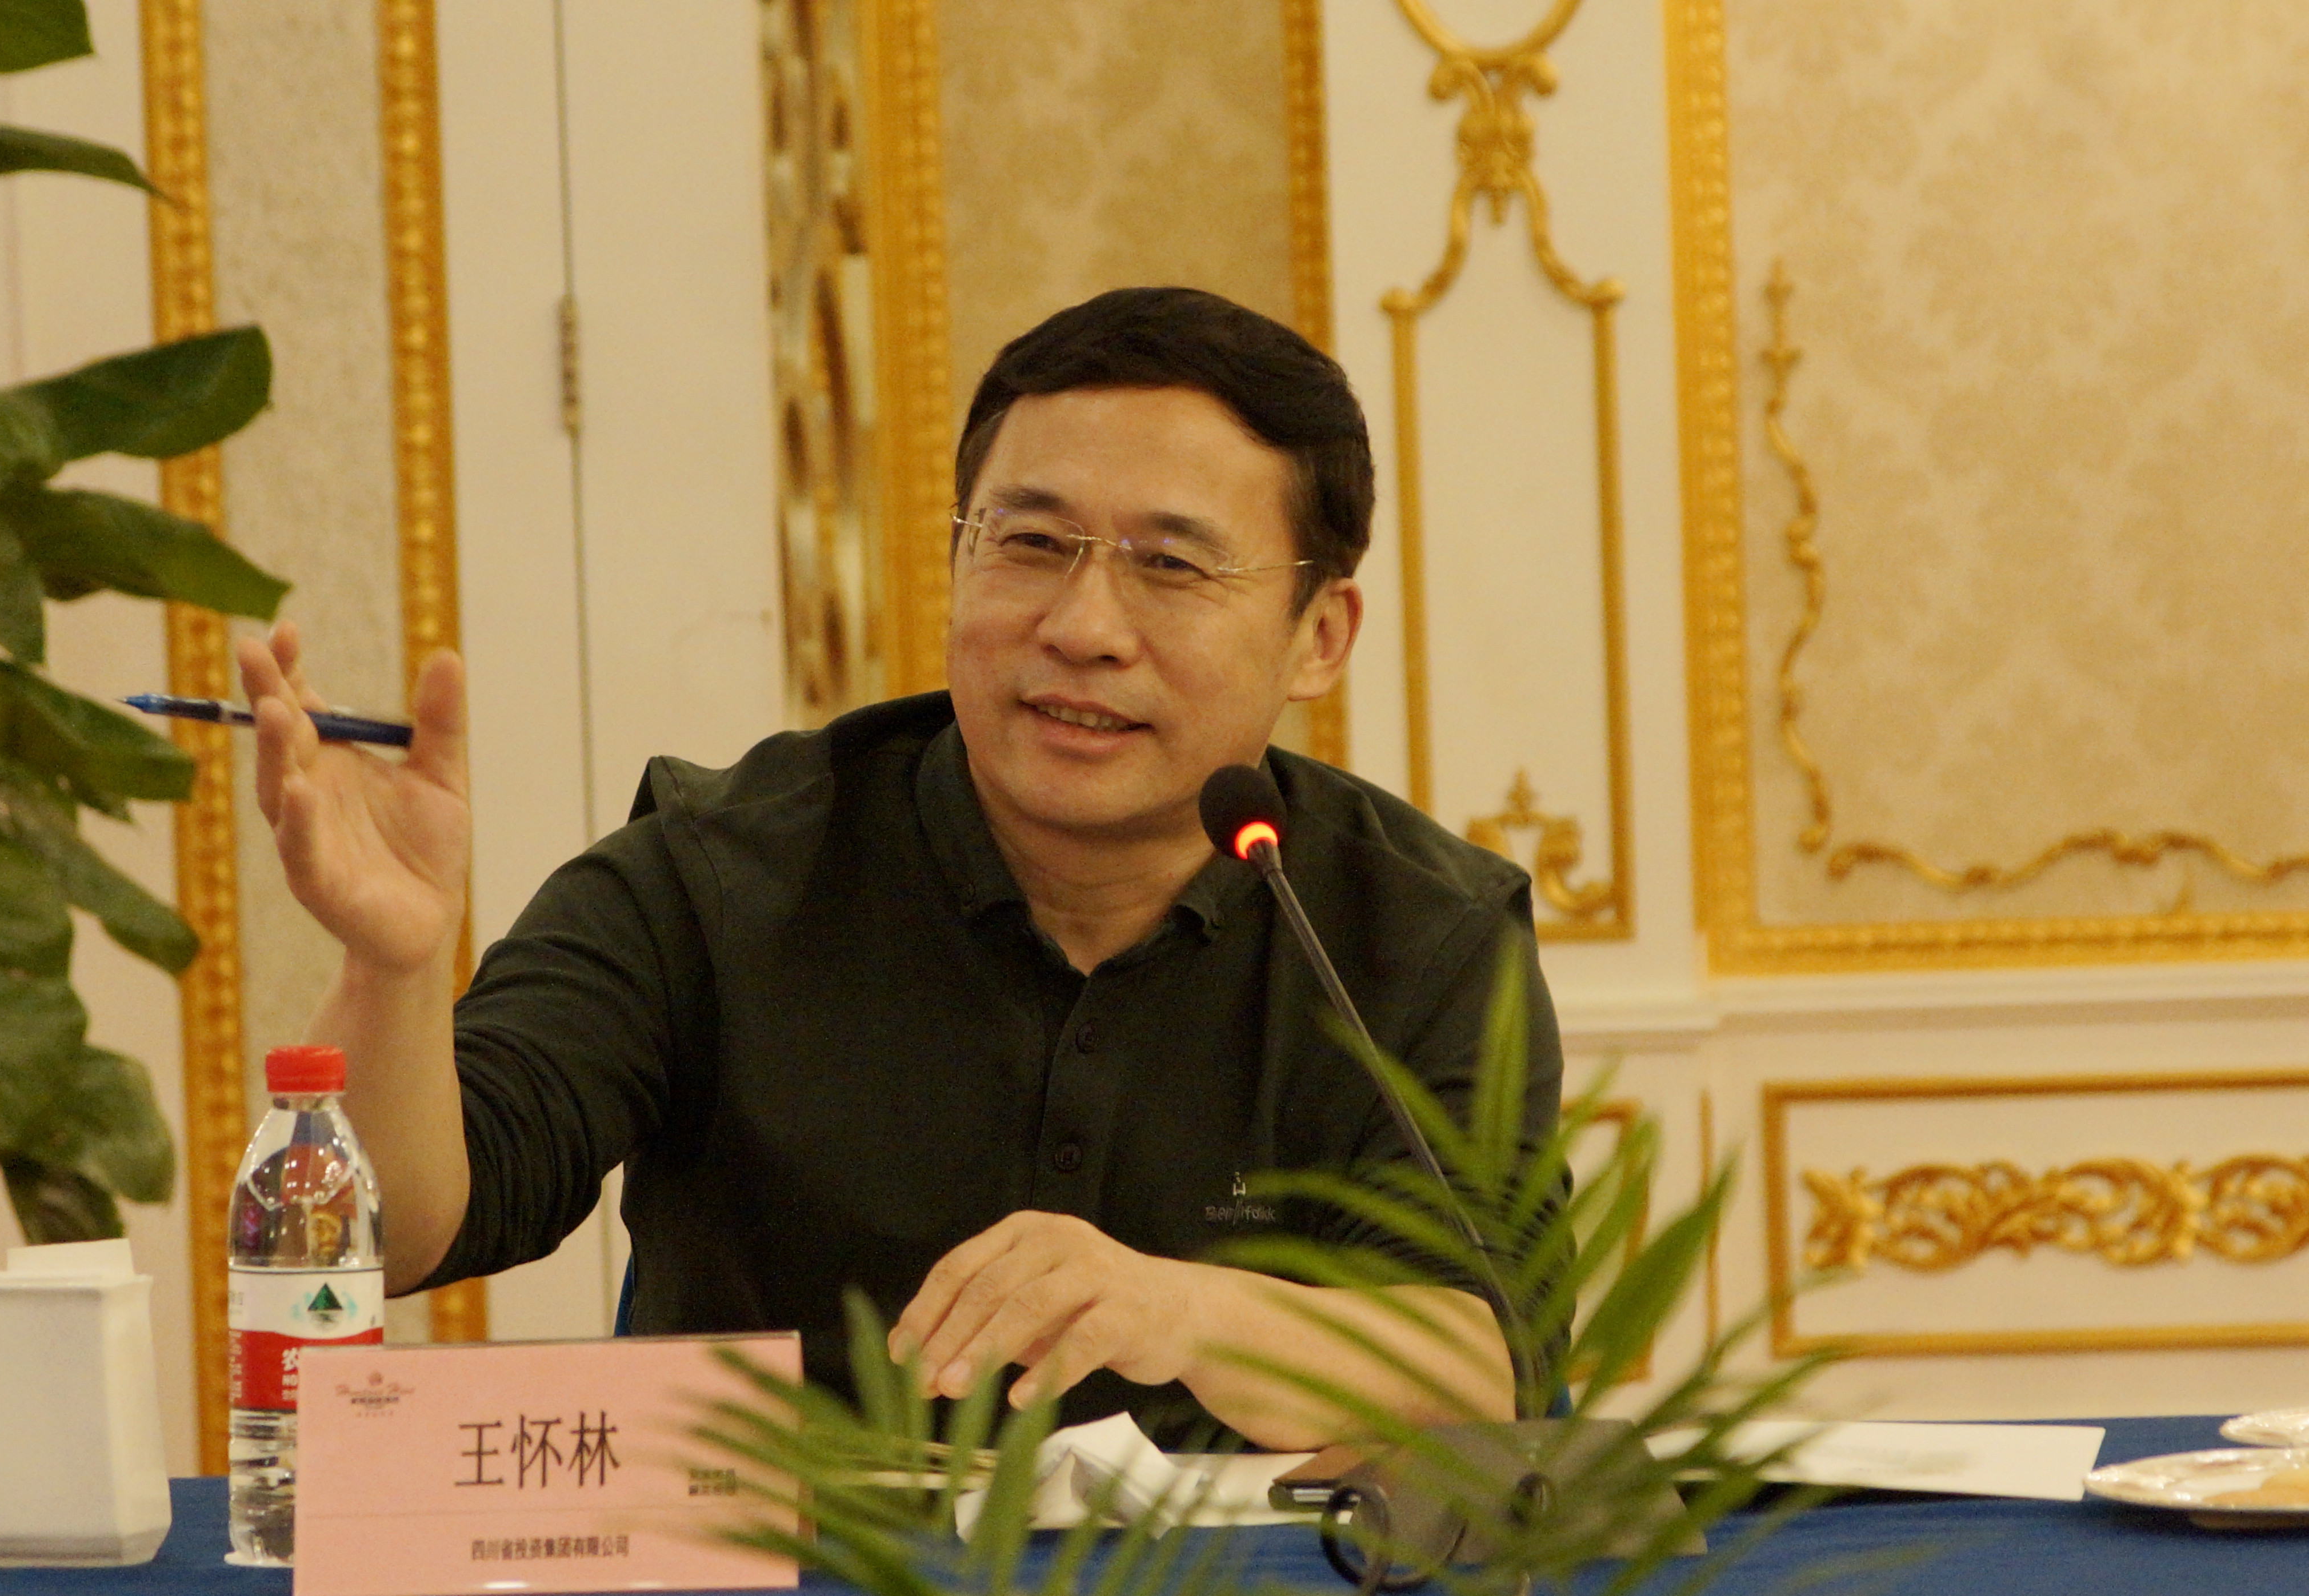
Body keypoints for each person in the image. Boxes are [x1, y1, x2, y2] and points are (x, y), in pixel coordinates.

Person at [238, 286, 1565, 1450]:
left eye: (1170, 565)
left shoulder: (1419, 935)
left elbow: (1483, 1363)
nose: (1083, 625)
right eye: (1031, 543)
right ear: (956, 557)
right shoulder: (719, 873)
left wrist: (1184, 1310)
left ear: (1320, 634)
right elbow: (396, 1230)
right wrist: (394, 966)